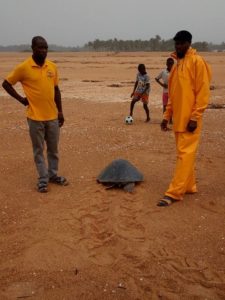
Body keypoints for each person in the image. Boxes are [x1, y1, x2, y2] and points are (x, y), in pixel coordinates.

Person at [2, 36, 68, 193]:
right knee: (38, 150)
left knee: (53, 149)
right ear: (33, 48)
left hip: (52, 117)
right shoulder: (24, 67)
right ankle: (43, 180)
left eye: (45, 47)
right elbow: (6, 83)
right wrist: (21, 99)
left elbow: (56, 90)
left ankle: (53, 175)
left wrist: (60, 111)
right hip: (34, 118)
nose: (44, 51)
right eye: (40, 48)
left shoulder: (52, 67)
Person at [158, 30, 211, 206]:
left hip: (191, 121)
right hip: (178, 121)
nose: (178, 46)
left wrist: (195, 117)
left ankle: (174, 193)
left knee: (184, 155)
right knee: (184, 155)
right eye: (176, 44)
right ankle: (189, 186)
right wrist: (166, 116)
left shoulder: (197, 62)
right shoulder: (175, 65)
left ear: (189, 43)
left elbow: (202, 92)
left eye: (181, 43)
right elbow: (173, 95)